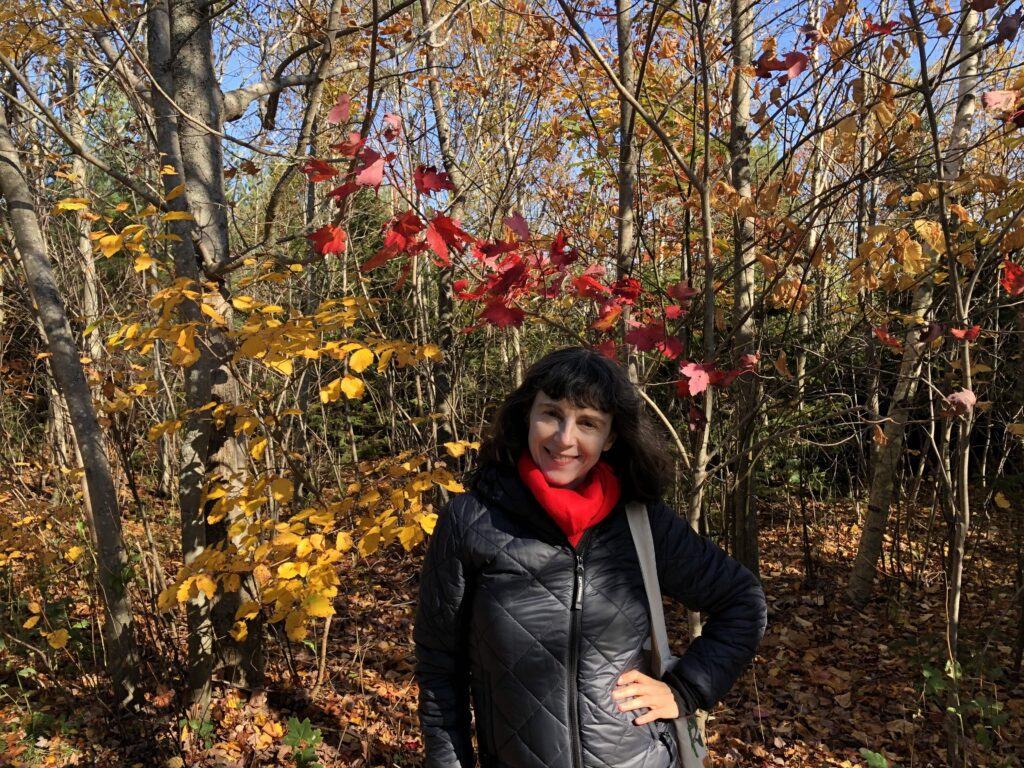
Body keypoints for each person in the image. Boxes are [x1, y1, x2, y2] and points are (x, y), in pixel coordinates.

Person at [414, 347, 767, 768]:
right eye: (551, 414)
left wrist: (685, 690)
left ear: (611, 436)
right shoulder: (470, 522)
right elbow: (440, 670)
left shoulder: (641, 523)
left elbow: (743, 601)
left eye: (587, 423)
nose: (564, 439)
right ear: (527, 416)